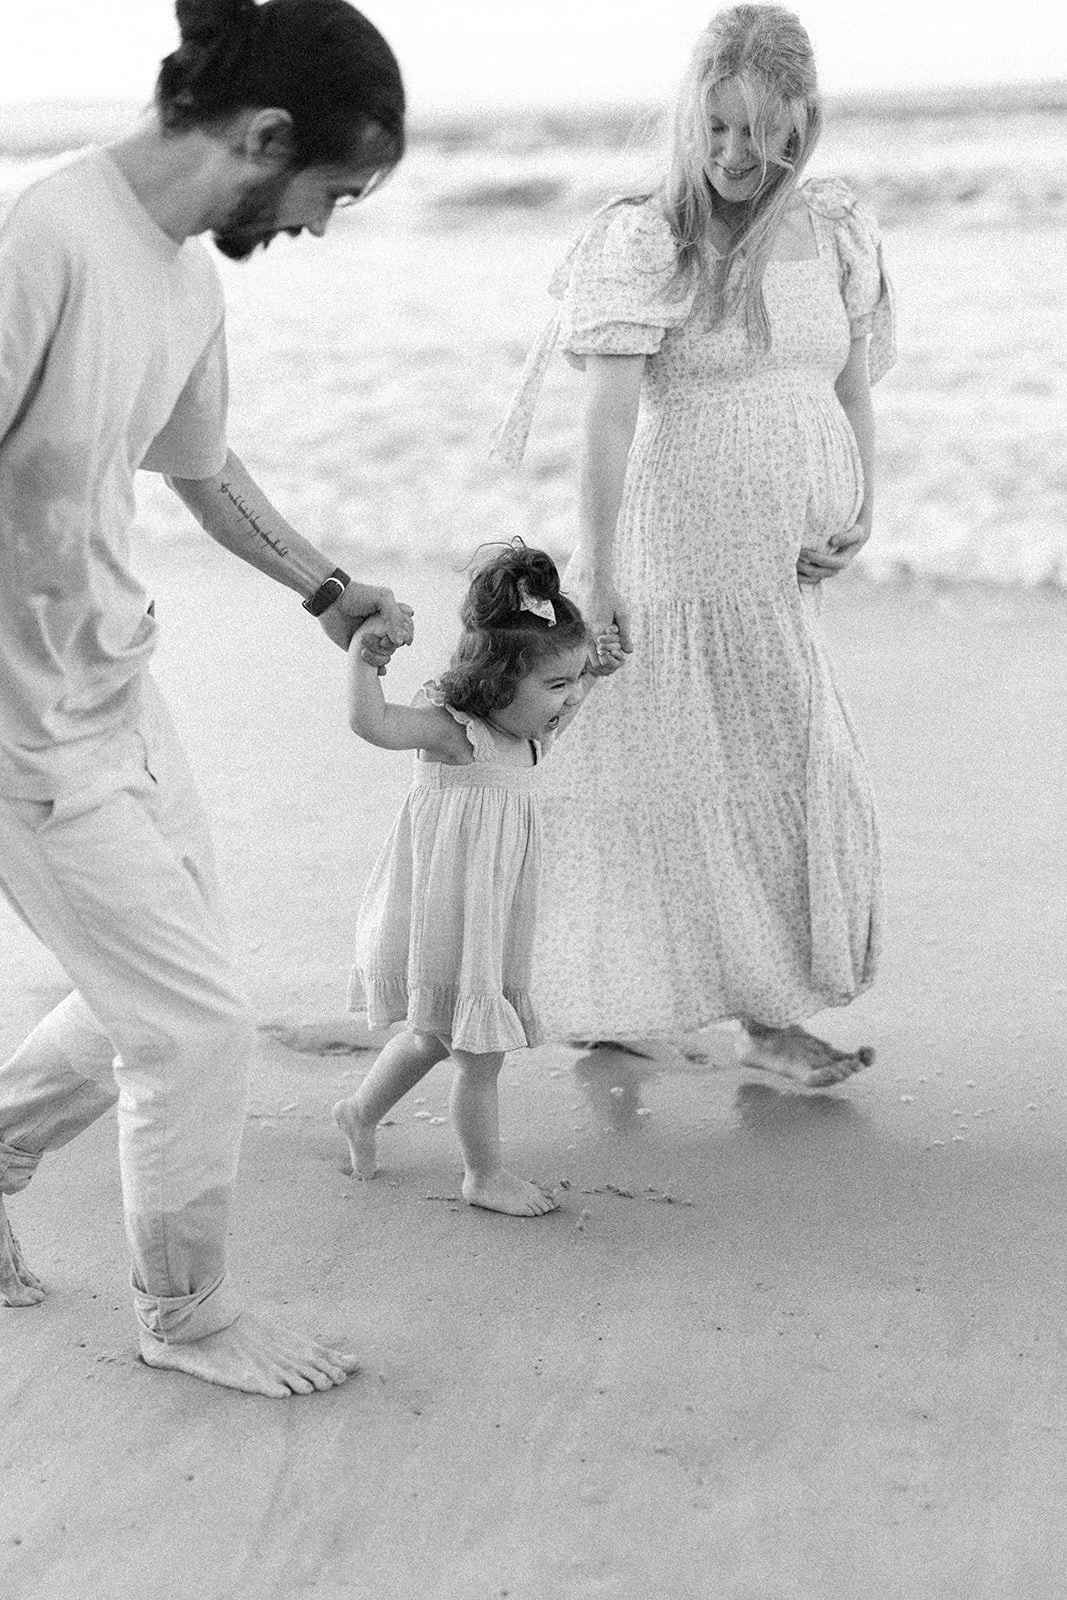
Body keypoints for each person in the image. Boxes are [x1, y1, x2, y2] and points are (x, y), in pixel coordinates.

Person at [0, 0, 414, 1397]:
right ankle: (185, 1315)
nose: (321, 222)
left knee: (171, 994)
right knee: (191, 1030)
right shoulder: (42, 241)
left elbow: (200, 466)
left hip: (117, 687)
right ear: (264, 136)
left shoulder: (181, 277)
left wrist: (325, 587)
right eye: (332, 190)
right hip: (19, 730)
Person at [492, 4, 894, 1084]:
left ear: (803, 121)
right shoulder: (646, 236)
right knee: (669, 775)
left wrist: (858, 511)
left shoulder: (834, 230)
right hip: (679, 555)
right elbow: (609, 421)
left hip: (782, 567)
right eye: (715, 127)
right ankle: (734, 1016)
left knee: (772, 767)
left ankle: (715, 1004)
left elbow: (846, 388)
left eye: (761, 132)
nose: (733, 155)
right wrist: (599, 572)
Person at [333, 544, 625, 1216]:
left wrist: (591, 674)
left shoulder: (529, 734)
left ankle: (357, 1111)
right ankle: (482, 1176)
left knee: (434, 1036)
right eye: (556, 685)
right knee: (477, 1050)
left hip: (492, 909)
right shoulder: (455, 732)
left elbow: (573, 701)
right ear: (496, 683)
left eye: (574, 681)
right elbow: (370, 724)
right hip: (448, 907)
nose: (570, 697)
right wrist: (363, 664)